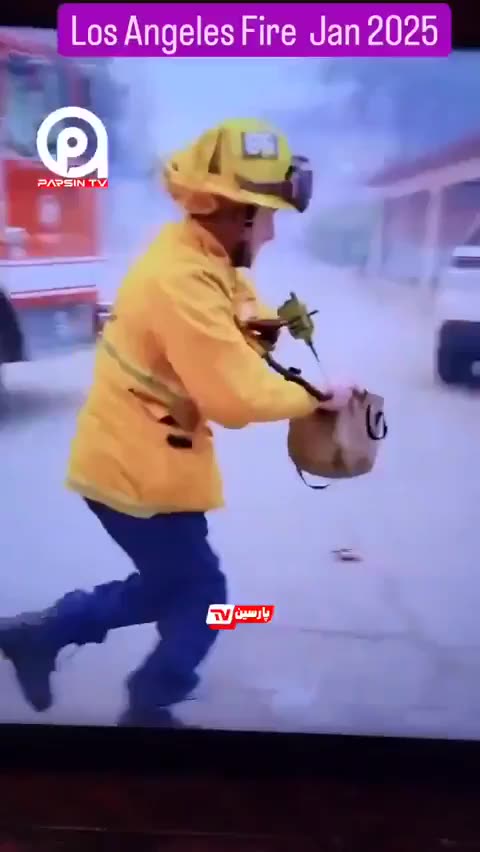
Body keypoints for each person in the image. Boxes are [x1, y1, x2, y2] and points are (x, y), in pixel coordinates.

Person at [0, 118, 357, 728]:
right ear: (232, 212)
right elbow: (234, 399)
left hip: (147, 462)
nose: (272, 232)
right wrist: (315, 397)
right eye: (267, 217)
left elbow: (241, 313)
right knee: (203, 596)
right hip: (134, 470)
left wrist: (279, 337)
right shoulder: (180, 279)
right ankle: (149, 704)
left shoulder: (206, 258)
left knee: (169, 586)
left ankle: (44, 633)